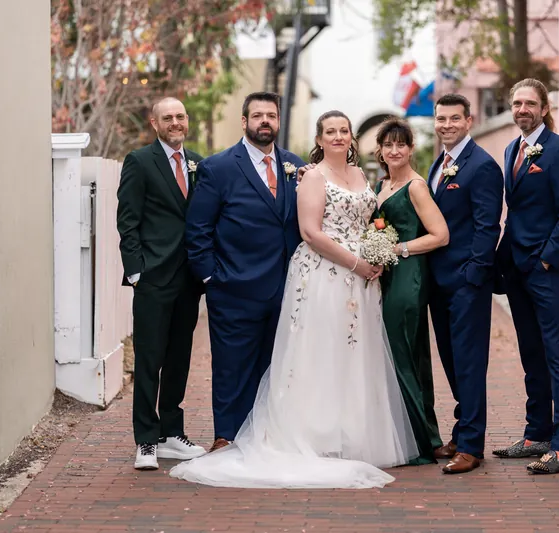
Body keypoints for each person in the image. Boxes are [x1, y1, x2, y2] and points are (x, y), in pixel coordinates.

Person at [169, 110, 418, 488]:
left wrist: (377, 252)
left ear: (352, 138)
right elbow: (310, 232)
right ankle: (313, 435)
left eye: (344, 130)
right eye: (330, 131)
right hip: (325, 275)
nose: (338, 136)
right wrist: (356, 261)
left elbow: (367, 222)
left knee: (353, 355)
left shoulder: (359, 175)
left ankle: (350, 434)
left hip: (362, 282)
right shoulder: (313, 176)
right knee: (316, 353)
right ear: (318, 140)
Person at [184, 92, 306, 453]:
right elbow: (198, 229)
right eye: (257, 115)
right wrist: (211, 278)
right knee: (231, 367)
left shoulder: (294, 166)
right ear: (244, 121)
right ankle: (228, 436)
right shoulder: (218, 167)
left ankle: (265, 437)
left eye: (271, 115)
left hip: (282, 289)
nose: (264, 121)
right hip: (233, 288)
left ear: (278, 121)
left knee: (274, 369)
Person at [493, 78, 559, 475]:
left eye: (530, 103)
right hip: (516, 267)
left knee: (557, 355)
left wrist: (547, 261)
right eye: (517, 103)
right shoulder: (513, 148)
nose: (522, 109)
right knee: (531, 353)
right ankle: (537, 434)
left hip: (544, 270)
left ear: (544, 108)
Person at [116, 97, 207, 470]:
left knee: (179, 359)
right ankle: (146, 441)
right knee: (150, 359)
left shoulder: (198, 161)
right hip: (153, 278)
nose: (175, 122)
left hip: (189, 277)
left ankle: (172, 433)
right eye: (167, 117)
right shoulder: (139, 162)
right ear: (154, 124)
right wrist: (137, 272)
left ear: (187, 121)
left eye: (180, 116)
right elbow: (127, 220)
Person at [427, 94, 504, 474]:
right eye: (441, 119)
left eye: (454, 119)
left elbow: (488, 225)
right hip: (438, 284)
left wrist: (473, 275)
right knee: (453, 362)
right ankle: (461, 431)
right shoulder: (438, 165)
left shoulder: (482, 166)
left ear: (469, 121)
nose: (446, 125)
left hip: (466, 283)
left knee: (470, 364)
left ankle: (472, 446)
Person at [373, 117, 452, 465]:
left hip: (408, 276)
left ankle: (424, 439)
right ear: (379, 149)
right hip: (386, 276)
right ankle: (416, 435)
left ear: (410, 149)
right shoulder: (382, 185)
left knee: (405, 354)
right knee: (400, 353)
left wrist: (398, 249)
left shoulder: (416, 186)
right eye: (388, 144)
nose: (394, 150)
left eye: (400, 144)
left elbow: (440, 235)